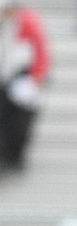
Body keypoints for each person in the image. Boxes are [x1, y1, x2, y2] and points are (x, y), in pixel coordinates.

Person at [0, 0, 50, 176]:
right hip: (6, 78)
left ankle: (16, 158)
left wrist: (37, 77)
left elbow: (41, 50)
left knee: (20, 122)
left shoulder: (28, 21)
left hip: (25, 78)